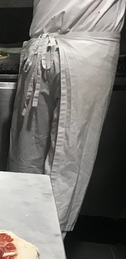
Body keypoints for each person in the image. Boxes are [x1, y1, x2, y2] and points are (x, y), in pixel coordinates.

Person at [8, 0, 125, 235]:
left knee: (27, 152)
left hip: (45, 45)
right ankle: (37, 243)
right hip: (83, 49)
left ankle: (20, 236)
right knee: (68, 158)